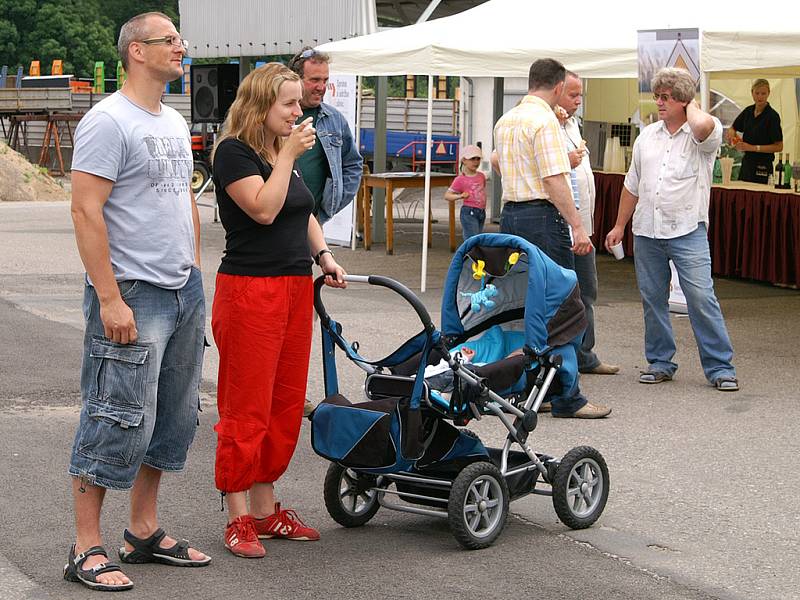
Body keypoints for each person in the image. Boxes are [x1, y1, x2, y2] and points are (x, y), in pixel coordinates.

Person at [65, 11, 209, 592]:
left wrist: (196, 272)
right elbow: (84, 210)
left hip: (182, 291)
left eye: (179, 38)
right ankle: (85, 548)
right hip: (133, 293)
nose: (180, 47)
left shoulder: (173, 121)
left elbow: (185, 201)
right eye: (168, 40)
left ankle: (142, 531)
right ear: (136, 53)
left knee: (172, 417)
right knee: (113, 413)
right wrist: (109, 298)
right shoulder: (107, 121)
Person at [210, 62, 347, 559]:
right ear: (261, 105)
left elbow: (303, 209)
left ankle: (267, 511)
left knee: (284, 404)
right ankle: (238, 513)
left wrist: (324, 255)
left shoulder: (278, 149)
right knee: (246, 405)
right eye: (289, 103)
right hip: (249, 289)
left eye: (299, 102)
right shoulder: (232, 152)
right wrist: (288, 154)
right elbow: (264, 208)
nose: (298, 110)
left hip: (292, 287)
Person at [605, 67, 739, 392]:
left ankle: (721, 367)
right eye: (658, 96)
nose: (659, 102)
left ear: (682, 100)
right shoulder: (646, 137)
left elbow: (705, 124)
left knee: (701, 298)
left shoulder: (702, 135)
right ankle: (660, 362)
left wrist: (689, 102)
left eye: (666, 97)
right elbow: (632, 185)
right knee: (652, 299)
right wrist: (620, 225)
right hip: (647, 230)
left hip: (687, 229)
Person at [493, 58, 610, 419]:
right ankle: (567, 395)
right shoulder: (544, 120)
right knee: (564, 305)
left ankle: (533, 386)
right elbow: (554, 180)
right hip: (542, 217)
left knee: (525, 305)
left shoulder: (506, 119)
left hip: (510, 214)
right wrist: (577, 224)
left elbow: (498, 164)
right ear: (558, 86)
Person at [287, 46, 363, 416]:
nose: (320, 87)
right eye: (314, 80)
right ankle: (272, 393)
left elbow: (354, 164)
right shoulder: (279, 119)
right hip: (276, 226)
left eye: (325, 81)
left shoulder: (333, 120)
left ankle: (290, 393)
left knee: (301, 316)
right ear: (295, 78)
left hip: (310, 225)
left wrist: (329, 204)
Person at [556, 71, 619, 376]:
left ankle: (585, 354)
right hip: (561, 226)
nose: (578, 101)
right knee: (563, 294)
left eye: (581, 95)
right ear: (556, 92)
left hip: (584, 225)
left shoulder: (572, 124)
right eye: (572, 94)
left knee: (587, 291)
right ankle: (562, 361)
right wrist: (563, 159)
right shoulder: (545, 124)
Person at [727, 79, 783, 183]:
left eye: (763, 93)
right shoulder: (748, 111)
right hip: (747, 165)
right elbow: (733, 128)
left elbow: (779, 146)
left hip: (763, 166)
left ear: (768, 94)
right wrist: (733, 136)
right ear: (752, 93)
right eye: (757, 93)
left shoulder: (772, 116)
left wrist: (753, 148)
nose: (760, 97)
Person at [444, 144, 488, 240]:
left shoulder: (481, 176)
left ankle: (473, 254)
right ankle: (469, 254)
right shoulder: (460, 179)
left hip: (481, 211)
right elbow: (447, 196)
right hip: (469, 212)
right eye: (472, 159)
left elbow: (483, 190)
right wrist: (460, 196)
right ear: (464, 160)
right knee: (472, 239)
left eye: (478, 159)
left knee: (477, 238)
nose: (476, 162)